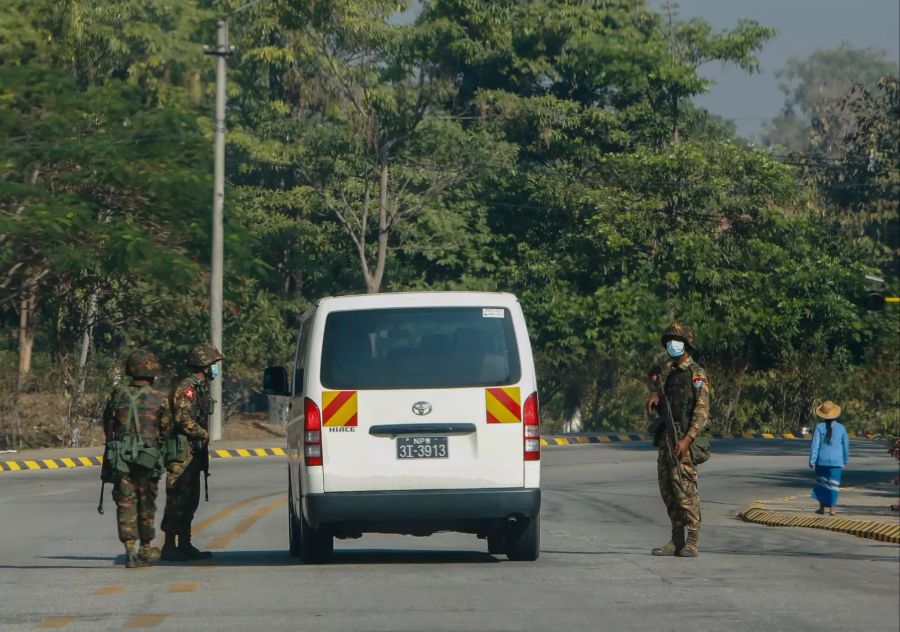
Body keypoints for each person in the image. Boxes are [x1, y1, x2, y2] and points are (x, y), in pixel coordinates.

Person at [645, 322, 711, 558]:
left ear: (686, 344)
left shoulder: (696, 375)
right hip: (666, 440)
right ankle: (676, 539)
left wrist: (687, 439)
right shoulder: (670, 375)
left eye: (677, 340)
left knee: (685, 490)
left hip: (683, 442)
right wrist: (654, 397)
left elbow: (701, 413)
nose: (672, 345)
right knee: (668, 490)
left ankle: (692, 540)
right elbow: (667, 407)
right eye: (669, 341)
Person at [101, 350, 168, 568]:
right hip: (147, 458)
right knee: (146, 502)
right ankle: (145, 549)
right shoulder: (158, 398)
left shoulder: (118, 395)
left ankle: (129, 550)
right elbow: (166, 430)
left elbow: (108, 425)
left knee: (125, 502)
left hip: (121, 457)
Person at [160, 342, 222, 561]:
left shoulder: (199, 388)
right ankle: (169, 546)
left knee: (190, 500)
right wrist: (201, 433)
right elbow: (183, 419)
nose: (215, 368)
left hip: (193, 453)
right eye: (213, 364)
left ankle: (184, 544)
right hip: (181, 453)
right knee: (177, 499)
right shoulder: (186, 388)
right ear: (204, 365)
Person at [808, 400, 849, 516]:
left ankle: (821, 508)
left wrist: (812, 460)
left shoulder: (819, 427)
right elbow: (845, 446)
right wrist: (845, 459)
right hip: (836, 461)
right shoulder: (841, 428)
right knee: (833, 485)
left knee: (822, 483)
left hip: (822, 460)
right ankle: (832, 508)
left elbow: (815, 445)